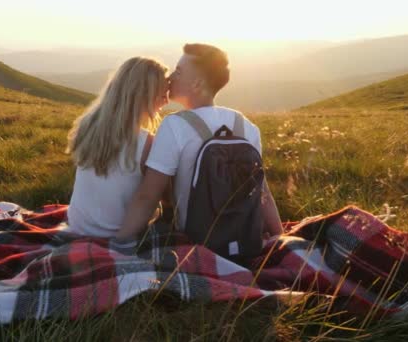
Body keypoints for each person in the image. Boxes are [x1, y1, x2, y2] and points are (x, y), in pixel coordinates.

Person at [116, 43, 283, 242]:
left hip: (198, 240)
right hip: (245, 239)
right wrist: (279, 236)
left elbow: (148, 196)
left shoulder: (174, 125)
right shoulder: (247, 126)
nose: (170, 78)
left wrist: (119, 243)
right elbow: (262, 193)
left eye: (178, 72)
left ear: (196, 83)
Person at [64, 57, 169, 238]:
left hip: (78, 226)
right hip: (116, 234)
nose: (167, 102)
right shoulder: (147, 144)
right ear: (144, 96)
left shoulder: (87, 125)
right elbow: (151, 198)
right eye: (162, 95)